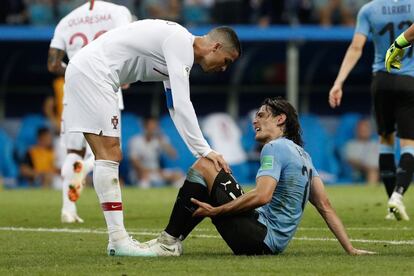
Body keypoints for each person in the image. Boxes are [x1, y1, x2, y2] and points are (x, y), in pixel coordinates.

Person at [64, 19, 240, 256]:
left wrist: (201, 151)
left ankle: (116, 239)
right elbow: (182, 103)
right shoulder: (179, 42)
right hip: (95, 73)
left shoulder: (177, 53)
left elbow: (174, 107)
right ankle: (118, 241)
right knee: (110, 153)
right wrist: (206, 151)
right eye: (227, 61)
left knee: (106, 155)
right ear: (216, 47)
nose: (224, 68)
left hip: (88, 71)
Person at [129, 97, 374, 257]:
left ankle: (168, 241)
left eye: (262, 115)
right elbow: (325, 206)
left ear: (280, 120)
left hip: (259, 237)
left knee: (206, 163)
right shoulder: (304, 156)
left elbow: (263, 195)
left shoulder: (275, 147)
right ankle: (171, 242)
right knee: (213, 169)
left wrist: (217, 212)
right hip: (272, 242)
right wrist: (349, 248)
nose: (255, 120)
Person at [47, 0, 132, 224]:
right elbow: (128, 43)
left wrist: (76, 69)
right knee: (109, 152)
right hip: (105, 86)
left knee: (73, 150)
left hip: (74, 89)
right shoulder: (118, 12)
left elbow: (53, 64)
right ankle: (85, 168)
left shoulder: (67, 21)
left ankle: (68, 209)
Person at [328, 0, 414, 221]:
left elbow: (356, 48)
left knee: (385, 141)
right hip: (408, 80)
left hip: (381, 80)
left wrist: (339, 82)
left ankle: (390, 205)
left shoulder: (369, 9)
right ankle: (397, 195)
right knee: (409, 145)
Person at [128, 117, 183, 188]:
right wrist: (147, 171)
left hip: (156, 171)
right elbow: (134, 162)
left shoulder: (159, 139)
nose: (153, 129)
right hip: (140, 173)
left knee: (178, 175)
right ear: (145, 127)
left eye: (155, 127)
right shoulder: (135, 141)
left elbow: (173, 155)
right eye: (151, 127)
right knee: (144, 179)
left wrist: (162, 141)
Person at [344, 118, 379, 184]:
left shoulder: (376, 144)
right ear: (357, 130)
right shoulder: (351, 144)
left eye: (366, 129)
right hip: (360, 170)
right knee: (372, 171)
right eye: (361, 129)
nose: (364, 131)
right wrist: (365, 165)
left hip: (379, 169)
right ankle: (370, 192)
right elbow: (350, 160)